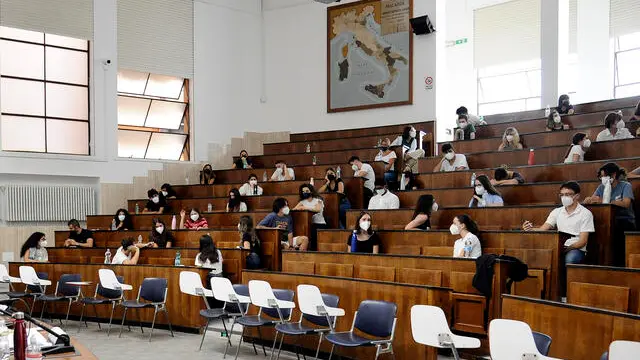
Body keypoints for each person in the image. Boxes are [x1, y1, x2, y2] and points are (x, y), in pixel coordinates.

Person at [522, 181, 594, 267]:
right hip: (558, 246)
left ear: (577, 196)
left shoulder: (586, 213)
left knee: (570, 259)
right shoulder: (557, 211)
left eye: (567, 194)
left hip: (575, 248)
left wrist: (565, 249)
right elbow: (543, 229)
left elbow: (582, 241)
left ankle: (566, 280)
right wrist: (529, 229)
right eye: (562, 195)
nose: (564, 197)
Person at [583, 163, 635, 266]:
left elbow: (626, 203)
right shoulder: (601, 187)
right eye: (601, 176)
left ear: (613, 175)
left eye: (604, 176)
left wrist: (605, 201)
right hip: (606, 220)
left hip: (624, 220)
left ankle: (616, 263)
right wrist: (589, 200)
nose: (602, 178)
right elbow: (595, 199)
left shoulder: (625, 185)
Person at [292, 184, 326, 250]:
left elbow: (318, 209)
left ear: (311, 191)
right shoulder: (302, 202)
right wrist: (298, 208)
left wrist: (305, 208)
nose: (305, 193)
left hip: (319, 224)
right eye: (303, 191)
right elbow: (294, 209)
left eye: (307, 191)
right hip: (307, 224)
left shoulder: (318, 200)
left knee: (313, 235)